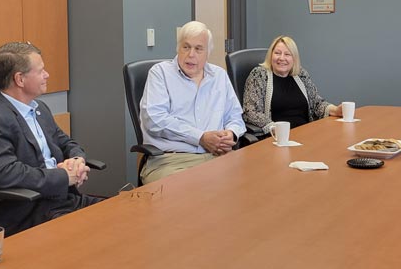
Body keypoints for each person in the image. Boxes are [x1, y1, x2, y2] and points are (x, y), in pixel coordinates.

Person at [0, 42, 100, 234]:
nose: (47, 75)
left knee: (122, 212)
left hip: (62, 200)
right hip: (27, 209)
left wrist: (76, 160)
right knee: (95, 232)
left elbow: (66, 142)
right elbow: (3, 173)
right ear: (20, 79)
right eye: (40, 71)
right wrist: (63, 177)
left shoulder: (40, 108)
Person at [139, 21, 246, 184]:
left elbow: (235, 116)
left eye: (198, 49)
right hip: (171, 161)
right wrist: (200, 138)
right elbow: (155, 120)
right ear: (178, 48)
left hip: (218, 156)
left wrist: (231, 133)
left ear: (207, 53)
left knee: (253, 183)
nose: (191, 54)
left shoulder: (219, 76)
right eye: (186, 47)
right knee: (189, 194)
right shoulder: (160, 73)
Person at [242, 35, 341, 133]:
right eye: (277, 53)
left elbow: (316, 103)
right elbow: (250, 111)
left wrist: (336, 110)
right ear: (271, 55)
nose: (282, 58)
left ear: (294, 58)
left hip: (306, 132)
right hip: (279, 136)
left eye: (287, 54)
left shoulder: (301, 74)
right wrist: (274, 127)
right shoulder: (259, 75)